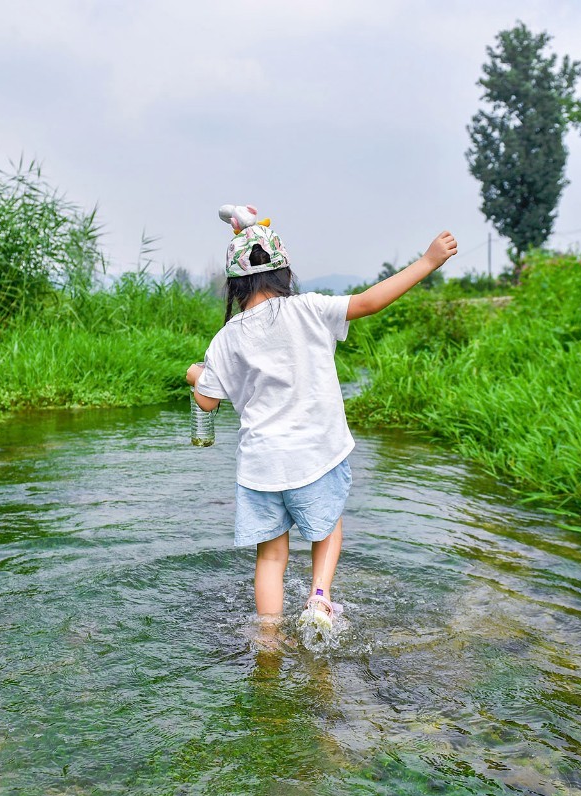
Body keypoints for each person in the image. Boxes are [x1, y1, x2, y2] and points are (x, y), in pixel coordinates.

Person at [186, 207, 457, 633]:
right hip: (316, 455)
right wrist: (427, 261)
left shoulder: (227, 337)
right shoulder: (309, 309)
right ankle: (319, 598)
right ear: (284, 275)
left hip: (261, 467)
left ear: (235, 285)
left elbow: (206, 403)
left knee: (271, 557)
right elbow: (369, 302)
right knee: (327, 525)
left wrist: (193, 374)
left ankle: (269, 639)